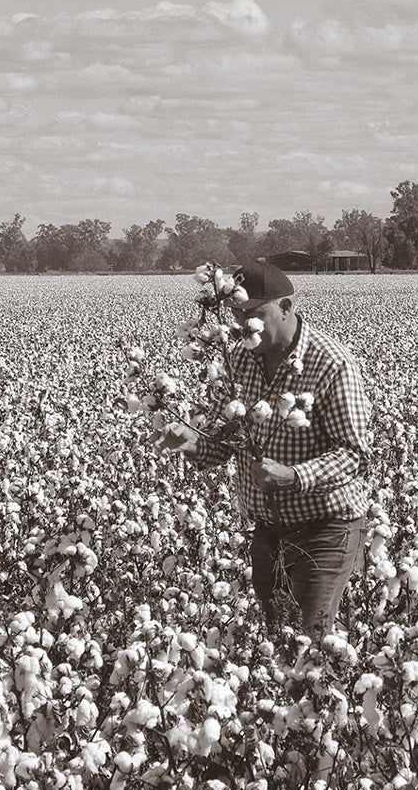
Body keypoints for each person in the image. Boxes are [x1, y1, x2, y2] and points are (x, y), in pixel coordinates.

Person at [160, 260, 373, 637]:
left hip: (325, 529)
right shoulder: (237, 359)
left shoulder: (331, 364)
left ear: (286, 307)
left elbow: (355, 455)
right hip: (268, 532)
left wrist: (293, 476)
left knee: (311, 640)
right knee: (277, 640)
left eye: (254, 315)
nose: (244, 326)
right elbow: (226, 441)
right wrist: (193, 441)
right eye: (238, 316)